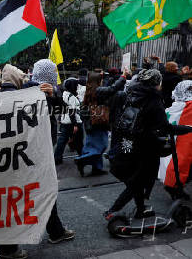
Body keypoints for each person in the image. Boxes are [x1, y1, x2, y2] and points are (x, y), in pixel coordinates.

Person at [0, 64, 75, 259]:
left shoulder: (34, 94)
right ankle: (7, 247)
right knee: (18, 197)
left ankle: (55, 230)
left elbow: (65, 111)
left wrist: (53, 96)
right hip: (27, 155)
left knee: (44, 190)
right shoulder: (29, 96)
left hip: (30, 154)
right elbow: (68, 112)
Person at [105, 69, 192, 220]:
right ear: (157, 83)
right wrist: (188, 129)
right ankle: (113, 210)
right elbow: (165, 128)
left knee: (135, 177)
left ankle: (140, 209)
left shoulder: (132, 94)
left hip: (127, 142)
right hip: (145, 146)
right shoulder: (154, 100)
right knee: (138, 180)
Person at [161, 80, 192, 200]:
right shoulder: (189, 107)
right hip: (184, 142)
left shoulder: (174, 105)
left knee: (174, 164)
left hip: (171, 142)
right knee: (183, 166)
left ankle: (174, 186)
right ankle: (176, 188)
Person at [75, 73, 110, 176]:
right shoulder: (99, 92)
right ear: (98, 81)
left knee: (92, 145)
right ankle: (82, 161)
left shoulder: (88, 91)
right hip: (99, 122)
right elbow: (111, 91)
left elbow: (83, 108)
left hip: (89, 124)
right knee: (102, 145)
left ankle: (97, 168)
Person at [54, 78, 84, 164]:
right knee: (79, 140)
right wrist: (75, 124)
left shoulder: (64, 94)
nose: (77, 87)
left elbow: (63, 108)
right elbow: (72, 111)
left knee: (62, 141)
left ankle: (57, 158)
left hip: (65, 121)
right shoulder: (72, 97)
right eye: (76, 85)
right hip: (74, 122)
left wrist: (60, 118)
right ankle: (82, 157)